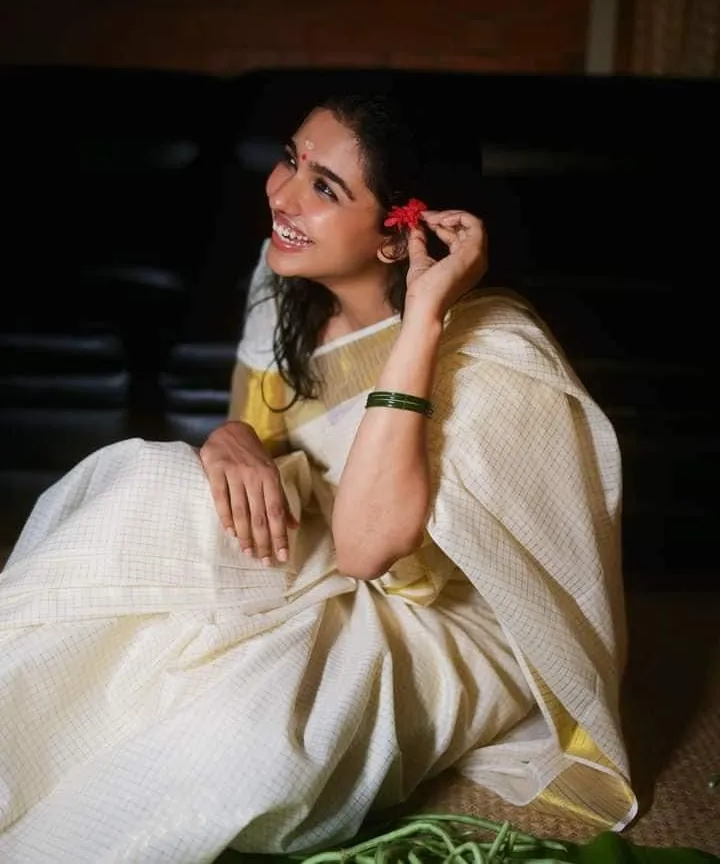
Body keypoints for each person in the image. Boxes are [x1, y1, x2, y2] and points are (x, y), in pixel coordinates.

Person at [0, 94, 637, 862]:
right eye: (292, 160)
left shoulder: (494, 357)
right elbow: (258, 452)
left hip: (437, 616)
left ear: (401, 232)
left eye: (325, 188)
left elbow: (370, 549)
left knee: (241, 733)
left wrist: (423, 319)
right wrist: (230, 438)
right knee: (143, 485)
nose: (283, 195)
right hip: (312, 541)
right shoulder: (283, 286)